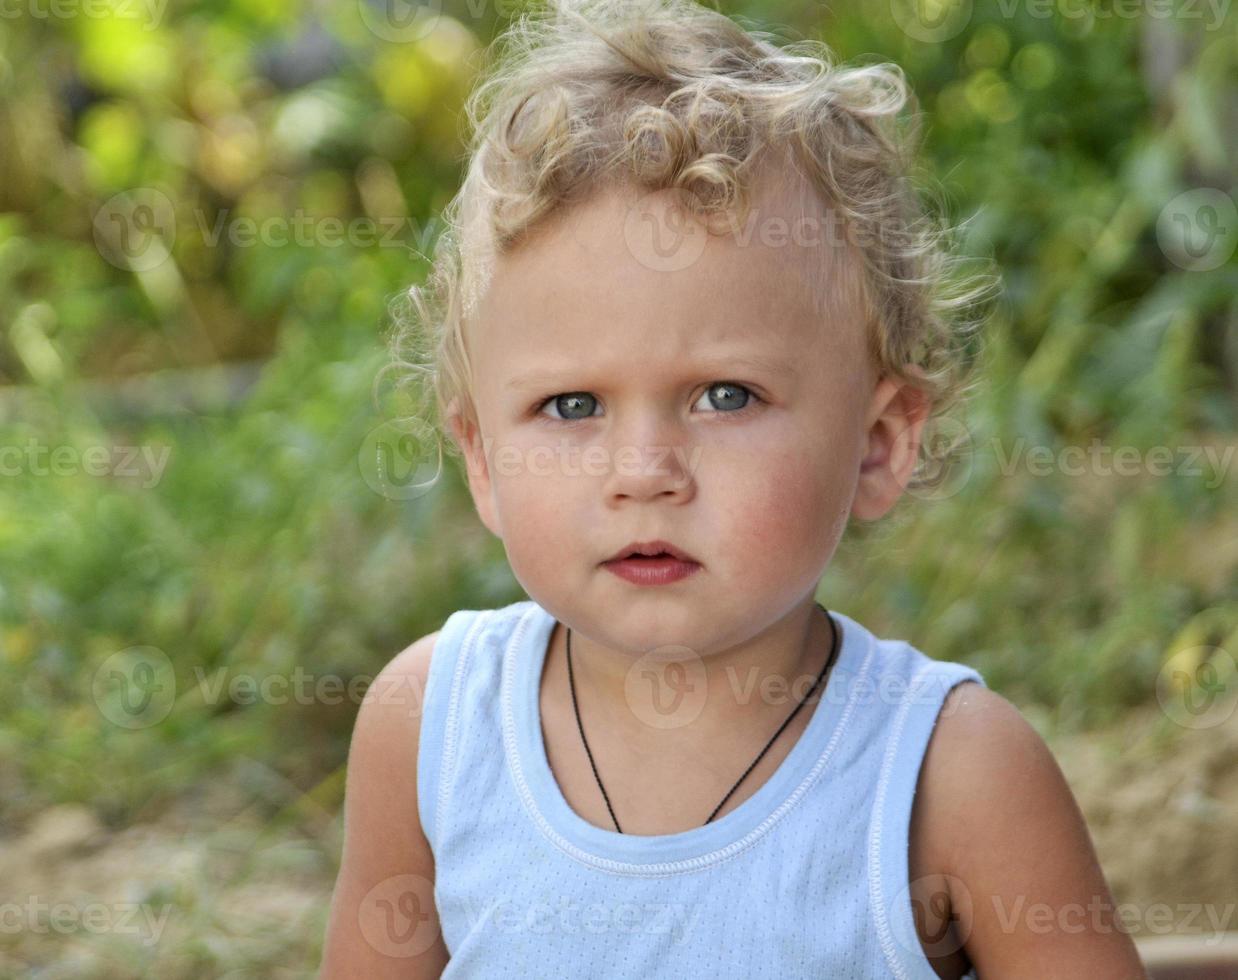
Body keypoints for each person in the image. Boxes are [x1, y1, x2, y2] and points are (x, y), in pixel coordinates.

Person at [321, 0, 1148, 975]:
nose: (642, 472)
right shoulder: (431, 727)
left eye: (724, 395)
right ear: (480, 460)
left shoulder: (947, 772)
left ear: (878, 444)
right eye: (570, 405)